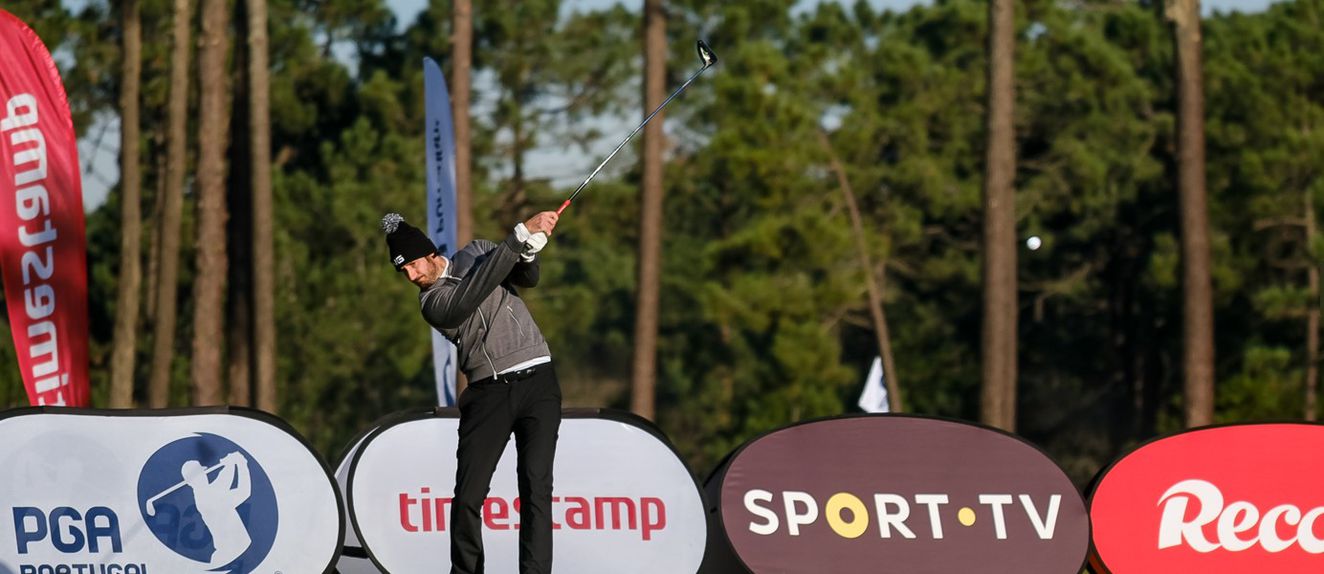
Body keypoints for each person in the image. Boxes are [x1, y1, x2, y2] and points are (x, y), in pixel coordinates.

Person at [382, 210, 562, 574]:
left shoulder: (477, 251)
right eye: (405, 273)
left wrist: (528, 251)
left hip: (539, 381)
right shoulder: (432, 303)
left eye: (414, 265)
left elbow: (527, 278)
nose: (413, 276)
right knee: (468, 497)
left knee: (536, 490)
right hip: (488, 394)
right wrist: (515, 238)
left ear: (430, 253)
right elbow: (470, 295)